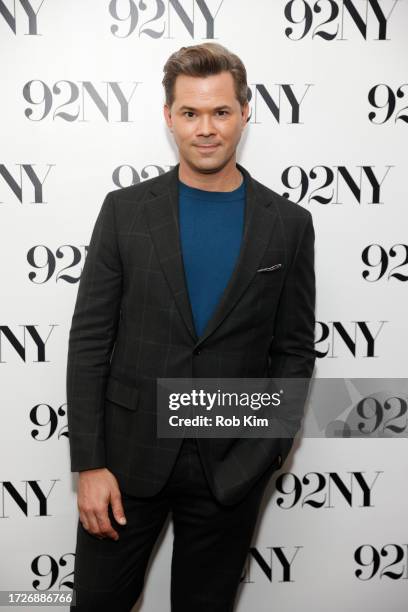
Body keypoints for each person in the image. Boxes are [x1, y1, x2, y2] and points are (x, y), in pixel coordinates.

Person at [67, 42, 316, 611]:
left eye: (221, 112)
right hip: (125, 465)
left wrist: (263, 454)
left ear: (245, 113)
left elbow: (294, 352)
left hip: (230, 470)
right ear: (169, 116)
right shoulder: (125, 211)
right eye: (191, 112)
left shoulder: (289, 224)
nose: (206, 129)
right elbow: (89, 343)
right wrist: (89, 463)